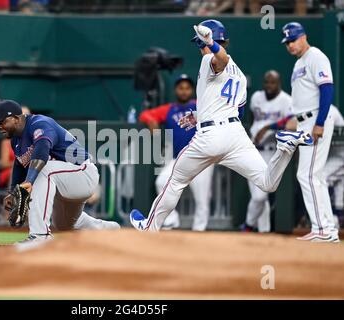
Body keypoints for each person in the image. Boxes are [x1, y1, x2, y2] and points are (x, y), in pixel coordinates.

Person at [129, 19, 313, 232]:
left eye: (199, 43)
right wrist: (201, 114)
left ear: (206, 42)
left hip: (210, 135)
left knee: (176, 180)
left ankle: (150, 227)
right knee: (267, 183)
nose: (198, 47)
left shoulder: (210, 59)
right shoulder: (241, 76)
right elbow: (237, 111)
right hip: (235, 134)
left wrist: (210, 44)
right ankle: (285, 148)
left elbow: (221, 59)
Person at [0, 100, 120, 244]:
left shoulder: (40, 123)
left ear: (16, 118)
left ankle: (40, 235)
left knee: (43, 169)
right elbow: (19, 164)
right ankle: (111, 230)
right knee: (65, 224)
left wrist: (29, 181)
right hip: (65, 182)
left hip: (83, 173)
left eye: (2, 121)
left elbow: (42, 151)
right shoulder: (16, 140)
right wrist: (12, 191)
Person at [281, 22, 339, 242]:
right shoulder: (298, 64)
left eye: (293, 40)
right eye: (287, 42)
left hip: (316, 118)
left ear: (303, 36)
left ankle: (323, 229)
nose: (290, 45)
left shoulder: (316, 56)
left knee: (307, 174)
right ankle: (326, 228)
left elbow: (327, 88)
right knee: (315, 175)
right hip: (304, 121)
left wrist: (320, 122)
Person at [139, 74, 214, 231]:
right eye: (181, 88)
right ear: (175, 90)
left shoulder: (200, 106)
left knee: (202, 199)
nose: (184, 91)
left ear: (192, 90)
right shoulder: (169, 109)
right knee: (161, 182)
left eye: (187, 88)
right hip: (179, 158)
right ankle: (172, 219)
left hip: (202, 159)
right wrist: (151, 120)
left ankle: (199, 230)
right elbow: (145, 114)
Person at [241, 70, 294, 232]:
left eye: (273, 82)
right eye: (267, 82)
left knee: (262, 195)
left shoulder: (286, 100)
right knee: (259, 196)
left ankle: (253, 227)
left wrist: (268, 127)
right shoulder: (256, 96)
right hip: (254, 150)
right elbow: (252, 118)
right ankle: (253, 228)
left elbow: (292, 121)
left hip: (273, 152)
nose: (269, 85)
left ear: (279, 84)